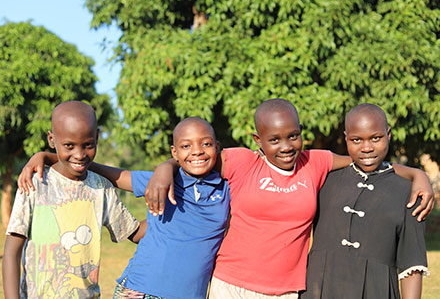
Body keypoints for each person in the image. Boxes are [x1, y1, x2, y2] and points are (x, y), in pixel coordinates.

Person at [17, 99, 434, 298]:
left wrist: (417, 173)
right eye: (274, 139)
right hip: (219, 287)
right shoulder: (236, 162)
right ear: (257, 142)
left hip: (285, 291)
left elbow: (366, 159)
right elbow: (147, 168)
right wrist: (55, 157)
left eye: (293, 135)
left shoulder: (317, 161)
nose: (286, 145)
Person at [17, 117, 231, 299]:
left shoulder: (229, 189)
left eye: (206, 144)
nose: (197, 152)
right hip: (139, 289)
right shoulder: (161, 181)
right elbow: (112, 174)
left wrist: (167, 167)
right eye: (186, 146)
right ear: (174, 152)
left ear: (218, 146)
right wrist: (47, 157)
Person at [3, 101, 145, 299]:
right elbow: (11, 252)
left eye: (88, 145)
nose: (79, 155)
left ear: (96, 138)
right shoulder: (34, 183)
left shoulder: (101, 188)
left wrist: (183, 211)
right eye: (69, 146)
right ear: (52, 140)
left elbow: (134, 232)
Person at [301, 104, 428, 299]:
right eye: (356, 140)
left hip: (377, 291)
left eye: (376, 138)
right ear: (346, 138)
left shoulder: (409, 192)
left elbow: (412, 266)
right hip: (319, 290)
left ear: (388, 134)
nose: (367, 148)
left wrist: (419, 175)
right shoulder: (325, 179)